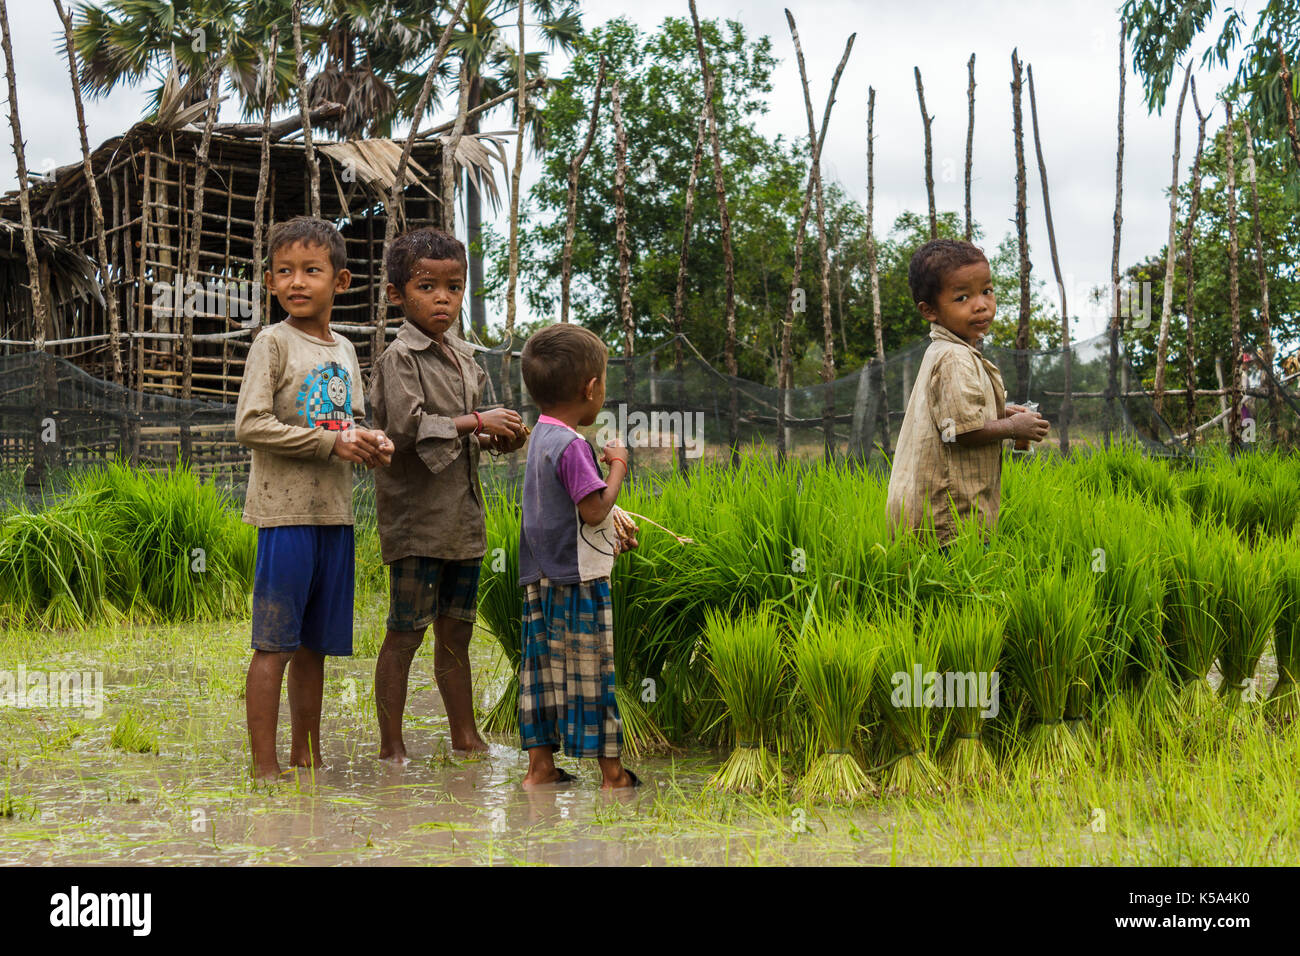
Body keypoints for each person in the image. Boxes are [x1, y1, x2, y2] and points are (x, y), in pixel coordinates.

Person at [235, 216, 393, 781]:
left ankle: (308, 756)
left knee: (314, 649)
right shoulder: (272, 343)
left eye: (311, 270)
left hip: (335, 516)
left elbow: (344, 422)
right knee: (274, 644)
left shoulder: (346, 350)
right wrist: (332, 443)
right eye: (284, 272)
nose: (296, 282)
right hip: (285, 516)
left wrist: (369, 441)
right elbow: (250, 425)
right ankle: (265, 766)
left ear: (341, 281)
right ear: (271, 282)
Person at [369, 228, 527, 762]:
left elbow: (458, 435)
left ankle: (466, 737)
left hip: (462, 520)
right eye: (426, 286)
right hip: (417, 524)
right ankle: (392, 748)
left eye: (454, 287)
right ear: (397, 295)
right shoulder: (400, 359)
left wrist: (492, 436)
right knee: (405, 635)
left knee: (456, 633)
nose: (443, 298)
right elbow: (407, 428)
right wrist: (478, 419)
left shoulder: (463, 357)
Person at [516, 323, 639, 790]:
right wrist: (619, 464)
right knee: (592, 673)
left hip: (538, 578)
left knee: (541, 674)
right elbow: (592, 511)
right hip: (579, 581)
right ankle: (613, 776)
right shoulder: (573, 446)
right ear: (591, 388)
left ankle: (540, 769)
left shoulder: (540, 437)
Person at [886, 239, 1049, 545]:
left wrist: (1002, 414)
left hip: (935, 512)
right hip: (948, 519)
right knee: (962, 588)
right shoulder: (954, 358)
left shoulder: (950, 351)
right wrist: (1013, 427)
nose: (980, 304)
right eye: (962, 297)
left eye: (986, 291)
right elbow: (960, 432)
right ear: (929, 310)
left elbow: (954, 415)